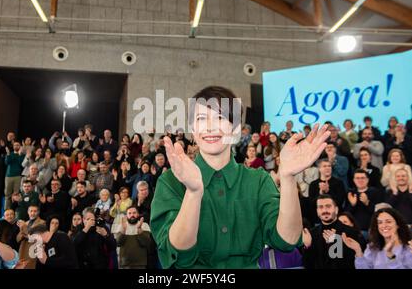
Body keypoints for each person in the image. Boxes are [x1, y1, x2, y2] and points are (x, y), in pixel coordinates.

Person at [150, 86, 330, 269]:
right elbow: (179, 253)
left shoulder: (258, 180)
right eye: (201, 119)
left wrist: (288, 176)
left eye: (220, 118)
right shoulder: (170, 182)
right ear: (192, 130)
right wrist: (193, 193)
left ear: (235, 128)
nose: (210, 127)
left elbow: (287, 240)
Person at [302, 195, 365, 269]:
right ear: (317, 211)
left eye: (328, 206)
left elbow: (355, 264)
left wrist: (336, 246)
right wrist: (307, 247)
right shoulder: (312, 234)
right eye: (320, 207)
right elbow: (308, 264)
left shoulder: (351, 232)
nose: (324, 210)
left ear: (336, 209)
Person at [343, 208, 412, 269]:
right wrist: (358, 250)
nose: (384, 226)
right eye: (380, 223)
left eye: (388, 221)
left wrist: (391, 256)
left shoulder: (409, 247)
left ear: (397, 225)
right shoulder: (372, 247)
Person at [16, 205, 46, 269]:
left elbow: (38, 238)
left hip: (33, 251)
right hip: (23, 250)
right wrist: (21, 229)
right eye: (31, 211)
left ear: (38, 212)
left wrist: (24, 228)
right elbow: (17, 239)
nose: (32, 213)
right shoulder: (25, 223)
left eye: (35, 211)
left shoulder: (42, 223)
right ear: (28, 212)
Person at [4, 141, 25, 209]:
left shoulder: (22, 155)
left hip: (17, 176)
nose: (16, 146)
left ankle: (14, 210)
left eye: (18, 145)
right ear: (13, 147)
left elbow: (21, 164)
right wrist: (8, 154)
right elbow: (7, 162)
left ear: (20, 147)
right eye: (15, 145)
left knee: (16, 194)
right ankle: (7, 210)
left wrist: (19, 155)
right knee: (7, 194)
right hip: (9, 176)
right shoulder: (10, 154)